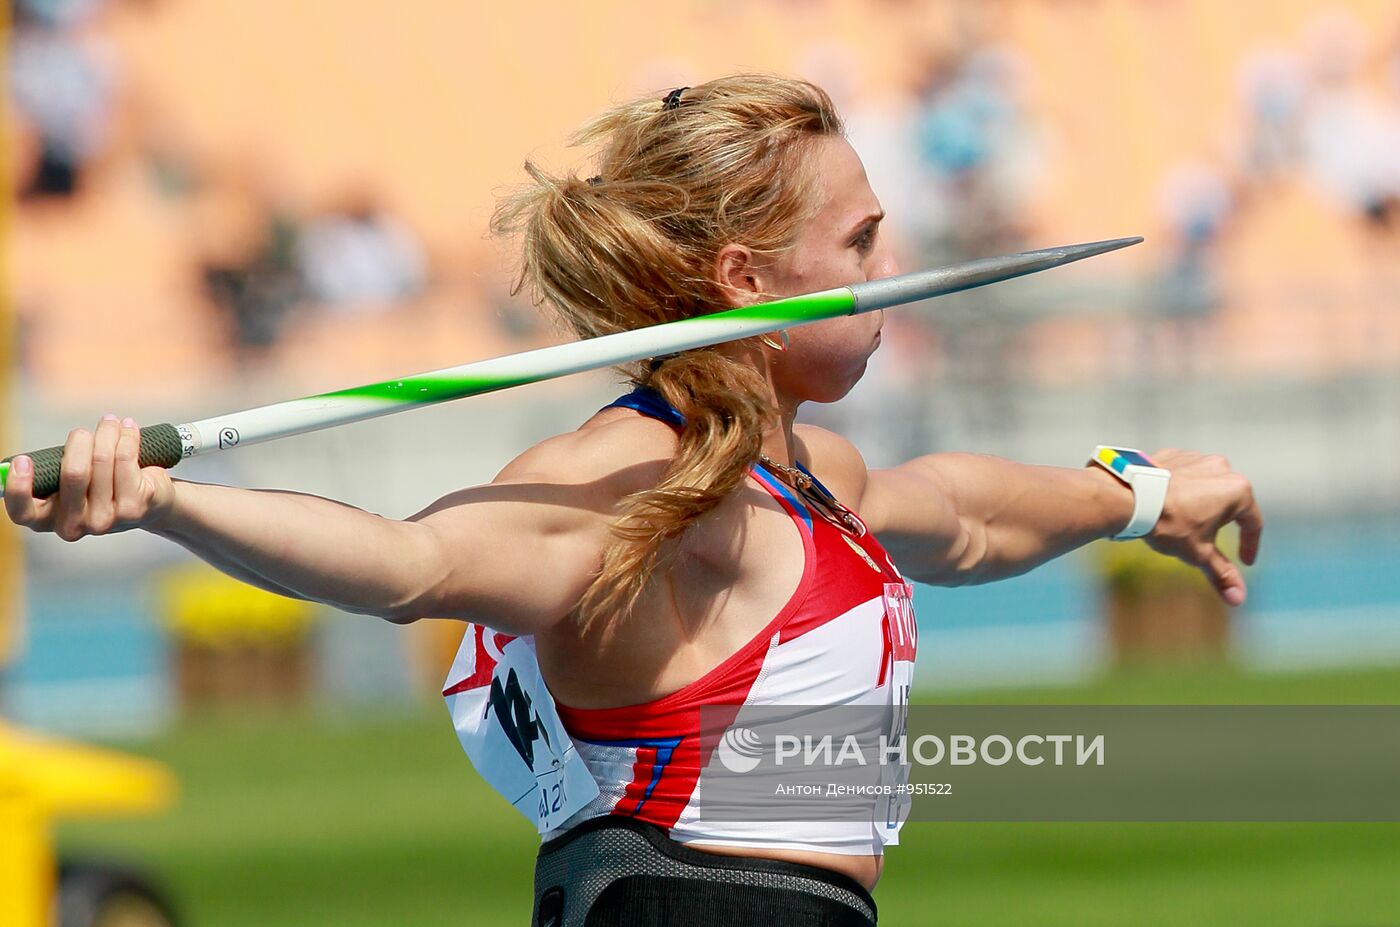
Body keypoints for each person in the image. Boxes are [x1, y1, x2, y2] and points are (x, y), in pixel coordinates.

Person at [3, 75, 1263, 926]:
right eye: (862, 243)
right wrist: (164, 500)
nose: (895, 273)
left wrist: (1137, 494)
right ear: (747, 281)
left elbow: (971, 514)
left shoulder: (809, 480)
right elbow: (407, 566)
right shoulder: (639, 495)